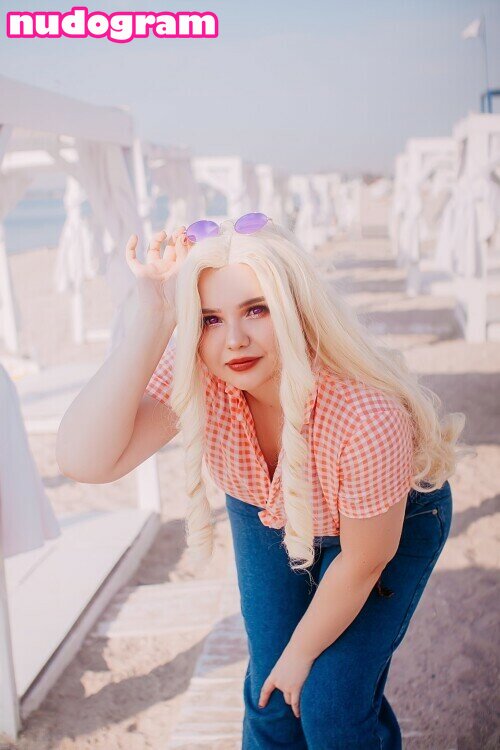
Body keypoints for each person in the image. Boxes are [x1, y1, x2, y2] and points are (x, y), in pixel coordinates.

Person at [57, 214, 469, 749]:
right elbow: (85, 461)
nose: (234, 340)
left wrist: (300, 654)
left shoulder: (366, 414)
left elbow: (362, 563)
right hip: (265, 505)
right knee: (270, 698)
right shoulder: (204, 369)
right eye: (209, 318)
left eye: (257, 309)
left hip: (383, 528)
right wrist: (155, 317)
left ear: (295, 307)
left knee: (329, 702)